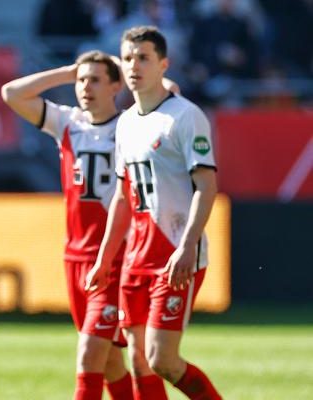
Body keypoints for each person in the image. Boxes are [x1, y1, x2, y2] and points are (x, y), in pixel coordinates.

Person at [86, 26, 222, 400]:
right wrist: (106, 257)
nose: (134, 66)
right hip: (136, 258)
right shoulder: (127, 121)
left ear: (164, 64)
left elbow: (206, 186)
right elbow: (123, 197)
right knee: (140, 359)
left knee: (163, 359)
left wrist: (187, 246)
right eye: (128, 58)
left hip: (175, 253)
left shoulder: (185, 117)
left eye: (143, 57)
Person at [2, 51, 134, 400]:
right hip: (75, 257)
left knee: (90, 353)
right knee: (110, 362)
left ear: (116, 86)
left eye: (94, 80)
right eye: (81, 81)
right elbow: (12, 94)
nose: (85, 87)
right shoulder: (68, 122)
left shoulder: (130, 126)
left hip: (115, 257)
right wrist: (66, 72)